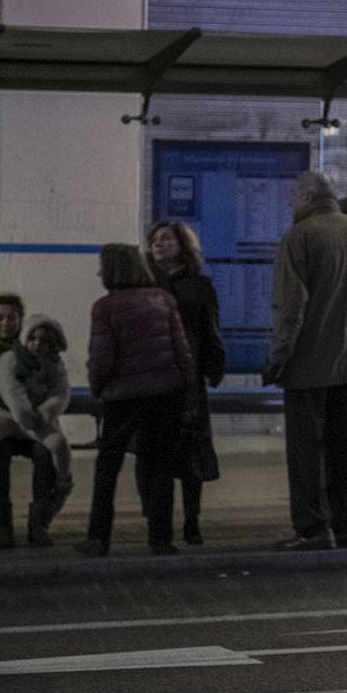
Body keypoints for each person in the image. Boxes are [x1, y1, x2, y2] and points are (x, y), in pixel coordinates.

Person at [265, 171, 347, 551]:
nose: (291, 204)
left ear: (305, 196)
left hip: (307, 368)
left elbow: (290, 307)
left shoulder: (299, 237)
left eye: (293, 196)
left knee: (307, 453)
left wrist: (278, 357)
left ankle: (314, 528)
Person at [80, 244, 196, 556]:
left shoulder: (105, 307)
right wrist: (188, 393)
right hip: (165, 393)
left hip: (123, 397)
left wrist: (96, 386)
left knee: (108, 466)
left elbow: (101, 357)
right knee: (160, 465)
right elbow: (182, 351)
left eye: (103, 266)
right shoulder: (164, 300)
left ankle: (99, 537)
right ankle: (160, 538)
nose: (99, 272)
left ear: (114, 270)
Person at [147, 218, 225, 545]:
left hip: (190, 378)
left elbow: (210, 329)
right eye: (155, 240)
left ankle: (192, 519)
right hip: (155, 376)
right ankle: (157, 519)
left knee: (191, 451)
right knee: (159, 452)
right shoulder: (145, 283)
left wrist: (214, 367)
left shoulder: (199, 285)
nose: (160, 245)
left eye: (167, 239)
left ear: (182, 245)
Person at [0, 292, 62, 546]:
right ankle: (2, 527)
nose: (5, 323)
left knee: (46, 455)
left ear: (20, 320)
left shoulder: (35, 346)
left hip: (31, 421)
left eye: (11, 318)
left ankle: (39, 524)